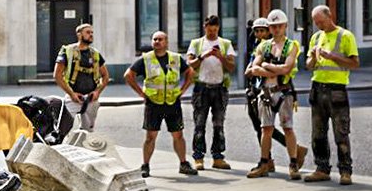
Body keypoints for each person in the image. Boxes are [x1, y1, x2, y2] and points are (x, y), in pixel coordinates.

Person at [125, 30, 197, 178]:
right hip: (154, 103)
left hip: (172, 102)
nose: (157, 42)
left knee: (178, 135)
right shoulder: (146, 59)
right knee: (150, 137)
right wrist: (141, 93)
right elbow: (129, 75)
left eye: (160, 39)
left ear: (166, 42)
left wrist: (183, 90)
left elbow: (190, 73)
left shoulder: (175, 58)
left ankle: (183, 163)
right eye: (154, 39)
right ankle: (145, 166)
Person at [245, 10, 305, 180]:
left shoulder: (292, 45)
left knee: (288, 128)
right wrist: (272, 69)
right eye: (273, 26)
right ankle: (264, 163)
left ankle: (293, 164)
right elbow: (253, 69)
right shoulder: (263, 46)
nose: (277, 29)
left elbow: (286, 68)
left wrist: (266, 65)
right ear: (270, 28)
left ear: (285, 26)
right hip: (266, 93)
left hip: (284, 92)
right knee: (266, 129)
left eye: (280, 26)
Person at [304, 5, 359, 185]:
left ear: (330, 16)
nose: (318, 25)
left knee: (341, 132)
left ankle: (345, 171)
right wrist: (312, 57)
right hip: (317, 87)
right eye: (316, 22)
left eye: (320, 21)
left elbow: (354, 63)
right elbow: (309, 65)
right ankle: (321, 168)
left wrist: (332, 56)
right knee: (317, 133)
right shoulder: (316, 37)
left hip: (337, 89)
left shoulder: (345, 36)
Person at [185, 15, 236, 170]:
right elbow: (190, 64)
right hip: (202, 88)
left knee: (218, 124)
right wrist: (203, 56)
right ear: (204, 27)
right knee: (199, 123)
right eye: (210, 29)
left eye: (215, 30)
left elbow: (232, 67)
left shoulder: (225, 44)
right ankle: (198, 157)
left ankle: (218, 157)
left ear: (218, 28)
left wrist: (220, 57)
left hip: (220, 88)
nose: (212, 32)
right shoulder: (196, 43)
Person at [54, 23, 109, 131]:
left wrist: (97, 92)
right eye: (88, 32)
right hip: (72, 98)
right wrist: (71, 94)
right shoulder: (67, 51)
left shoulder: (95, 53)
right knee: (62, 130)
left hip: (91, 99)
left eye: (92, 32)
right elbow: (57, 75)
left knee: (87, 133)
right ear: (79, 35)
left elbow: (106, 75)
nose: (91, 35)